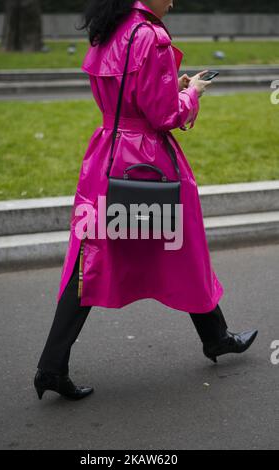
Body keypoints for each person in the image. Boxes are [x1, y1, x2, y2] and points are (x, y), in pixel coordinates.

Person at [34, 0, 258, 401]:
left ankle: (51, 366)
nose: (172, 0)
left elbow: (130, 97)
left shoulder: (109, 30)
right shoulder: (151, 36)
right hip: (148, 161)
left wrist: (173, 87)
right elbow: (164, 116)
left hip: (107, 154)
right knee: (183, 246)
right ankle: (217, 337)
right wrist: (193, 94)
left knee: (91, 257)